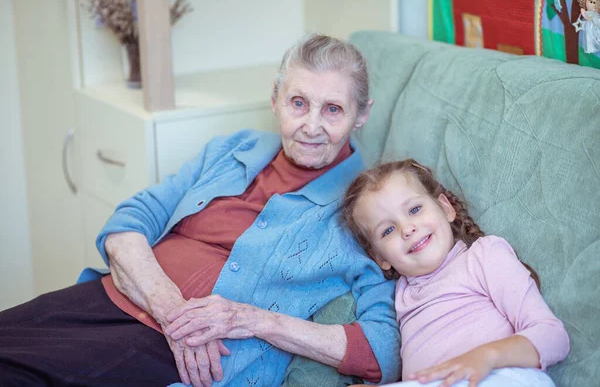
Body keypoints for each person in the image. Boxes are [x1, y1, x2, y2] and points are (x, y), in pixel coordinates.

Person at [0, 34, 401, 387]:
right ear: (275, 99)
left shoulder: (360, 209)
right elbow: (127, 224)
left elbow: (384, 350)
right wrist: (171, 309)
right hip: (113, 296)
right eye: (299, 103)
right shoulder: (233, 149)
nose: (312, 126)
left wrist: (255, 320)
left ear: (361, 113)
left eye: (333, 109)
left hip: (181, 357)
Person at [342, 159, 570, 387]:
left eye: (414, 209)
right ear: (380, 258)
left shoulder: (483, 256)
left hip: (498, 376)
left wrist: (486, 357)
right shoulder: (401, 294)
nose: (407, 229)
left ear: (445, 208)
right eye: (388, 230)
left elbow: (553, 337)